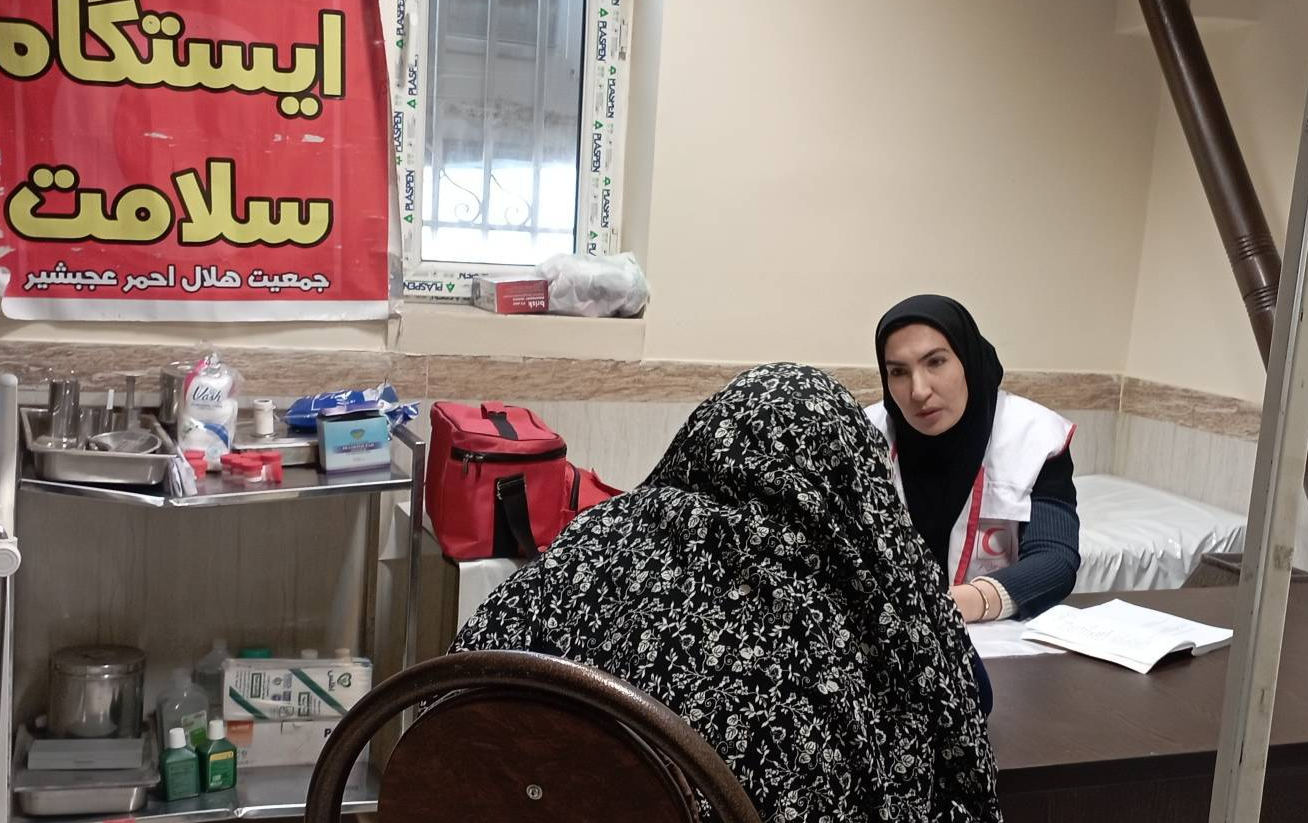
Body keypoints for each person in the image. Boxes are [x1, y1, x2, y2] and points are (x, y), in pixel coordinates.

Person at [449, 363, 1002, 822]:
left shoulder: (596, 533)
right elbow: (960, 699)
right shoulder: (832, 611)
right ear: (849, 477)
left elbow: (456, 683)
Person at [872, 294, 1080, 622]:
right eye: (898, 371)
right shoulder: (863, 437)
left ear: (967, 359)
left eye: (935, 362)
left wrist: (955, 605)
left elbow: (1055, 562)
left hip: (990, 634)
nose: (918, 390)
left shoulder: (1032, 436)